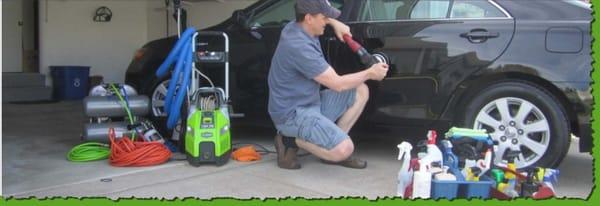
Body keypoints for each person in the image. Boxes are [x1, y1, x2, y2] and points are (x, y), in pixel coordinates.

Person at [268, 0, 389, 170]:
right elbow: (337, 84)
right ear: (309, 18)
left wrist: (334, 22)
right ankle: (288, 140)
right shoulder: (299, 46)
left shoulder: (295, 26)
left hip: (312, 103)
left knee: (360, 90)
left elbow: (316, 18)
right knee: (344, 149)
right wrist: (370, 73)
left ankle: (330, 148)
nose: (326, 21)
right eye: (324, 17)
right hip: (292, 115)